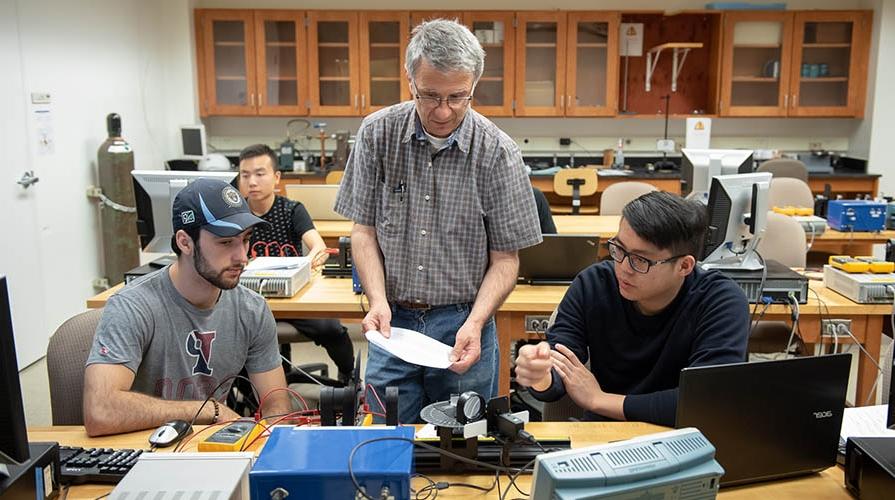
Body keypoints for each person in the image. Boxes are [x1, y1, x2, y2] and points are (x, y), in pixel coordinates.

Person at [334, 19, 542, 423]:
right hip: (393, 323)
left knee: (460, 453)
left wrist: (477, 322)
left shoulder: (498, 153)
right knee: (384, 443)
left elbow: (505, 260)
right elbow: (363, 233)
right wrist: (377, 300)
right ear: (410, 79)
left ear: (473, 88)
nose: (443, 111)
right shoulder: (377, 134)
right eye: (429, 96)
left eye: (457, 97)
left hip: (464, 324)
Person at [514, 191, 749, 426]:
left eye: (640, 260)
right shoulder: (594, 284)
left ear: (684, 266)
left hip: (682, 436)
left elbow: (705, 400)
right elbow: (561, 364)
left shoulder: (721, 302)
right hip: (603, 437)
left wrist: (600, 401)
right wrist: (541, 375)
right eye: (618, 249)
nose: (623, 268)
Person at [83, 178, 292, 436]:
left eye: (245, 239)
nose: (242, 256)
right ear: (184, 242)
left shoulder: (252, 310)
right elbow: (100, 411)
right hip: (141, 454)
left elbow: (277, 406)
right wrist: (210, 411)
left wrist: (268, 437)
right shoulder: (133, 306)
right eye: (226, 242)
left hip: (211, 451)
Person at [238, 143, 355, 382]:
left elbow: (319, 247)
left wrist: (308, 262)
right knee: (231, 336)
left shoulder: (291, 210)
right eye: (245, 175)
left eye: (260, 174)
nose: (252, 182)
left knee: (331, 329)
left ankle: (349, 377)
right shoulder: (235, 215)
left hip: (292, 297)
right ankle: (249, 393)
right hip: (249, 300)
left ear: (276, 177)